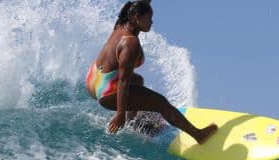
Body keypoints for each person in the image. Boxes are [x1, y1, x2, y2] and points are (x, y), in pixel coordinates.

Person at [86, 0, 218, 144]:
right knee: (161, 103)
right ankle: (199, 135)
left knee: (137, 81)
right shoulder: (130, 43)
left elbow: (141, 3)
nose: (152, 22)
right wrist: (120, 114)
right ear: (137, 17)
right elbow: (123, 83)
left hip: (94, 79)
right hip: (107, 92)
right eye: (149, 18)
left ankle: (134, 122)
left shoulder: (120, 25)